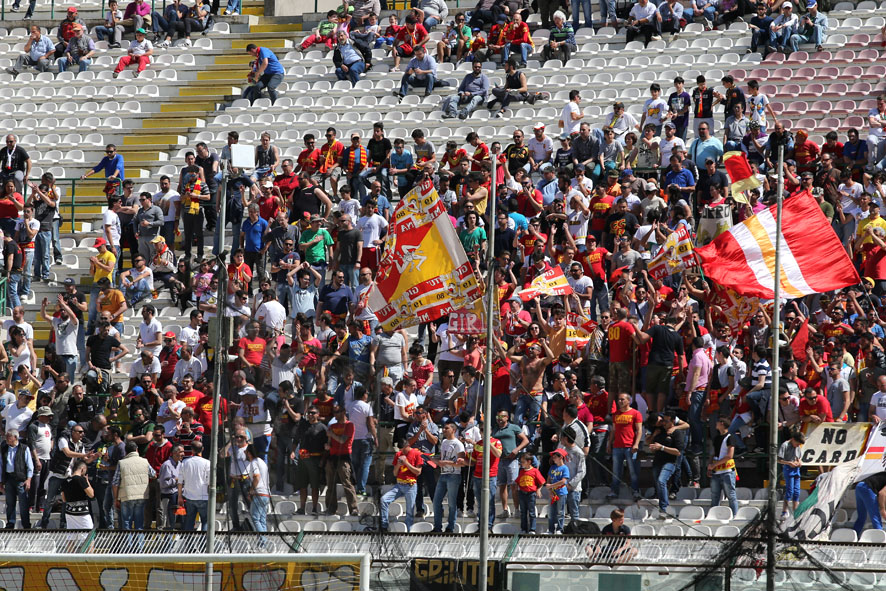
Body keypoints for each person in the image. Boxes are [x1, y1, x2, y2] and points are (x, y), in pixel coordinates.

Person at [379, 438, 423, 531]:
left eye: (402, 448)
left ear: (407, 446)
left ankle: (408, 530)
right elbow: (395, 473)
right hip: (399, 484)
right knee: (383, 500)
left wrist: (406, 463)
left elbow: (418, 472)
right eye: (399, 449)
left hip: (411, 485)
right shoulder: (398, 454)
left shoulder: (416, 454)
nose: (401, 451)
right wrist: (398, 465)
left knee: (409, 511)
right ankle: (384, 525)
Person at [648, 412, 685, 518]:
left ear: (673, 421)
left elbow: (678, 451)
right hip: (657, 461)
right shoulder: (660, 431)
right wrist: (654, 444)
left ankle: (663, 508)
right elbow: (650, 442)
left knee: (661, 481)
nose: (663, 423)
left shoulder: (677, 433)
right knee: (658, 484)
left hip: (670, 462)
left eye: (666, 421)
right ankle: (663, 505)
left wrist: (662, 448)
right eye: (663, 420)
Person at [431, 421, 465, 533]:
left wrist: (445, 462)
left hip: (454, 475)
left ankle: (450, 527)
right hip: (443, 474)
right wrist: (436, 461)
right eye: (444, 428)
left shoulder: (459, 444)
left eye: (446, 428)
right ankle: (437, 526)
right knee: (436, 501)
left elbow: (461, 463)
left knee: (451, 502)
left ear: (453, 430)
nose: (444, 430)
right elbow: (442, 457)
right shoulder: (444, 442)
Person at [112, 440, 154, 530]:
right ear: (137, 450)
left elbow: (115, 483)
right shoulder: (145, 461)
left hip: (126, 496)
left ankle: (129, 544)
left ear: (126, 451)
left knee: (127, 522)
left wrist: (116, 499)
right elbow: (153, 474)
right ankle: (139, 544)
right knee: (139, 522)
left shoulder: (121, 463)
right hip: (141, 495)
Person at [0, 429, 34, 529]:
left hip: (21, 479)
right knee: (10, 503)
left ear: (15, 437)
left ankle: (26, 524)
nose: (6, 438)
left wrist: (28, 479)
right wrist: (1, 481)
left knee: (23, 503)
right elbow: (1, 465)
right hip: (9, 478)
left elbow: (29, 465)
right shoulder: (4, 448)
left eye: (9, 436)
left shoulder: (24, 448)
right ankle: (10, 524)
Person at [708, 417, 738, 517]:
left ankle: (734, 515)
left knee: (731, 495)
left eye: (717, 422)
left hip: (727, 471)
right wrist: (710, 465)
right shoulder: (716, 438)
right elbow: (714, 453)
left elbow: (729, 456)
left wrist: (714, 465)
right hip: (716, 472)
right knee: (715, 496)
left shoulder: (730, 437)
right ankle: (713, 515)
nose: (715, 424)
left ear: (722, 423)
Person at [178, 439, 211, 531]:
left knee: (189, 520)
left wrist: (179, 496)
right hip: (203, 496)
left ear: (192, 450)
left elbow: (180, 481)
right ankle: (204, 543)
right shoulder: (207, 463)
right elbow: (210, 482)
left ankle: (189, 542)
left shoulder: (185, 462)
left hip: (189, 496)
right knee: (205, 520)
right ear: (202, 449)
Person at [244, 443, 270, 532]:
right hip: (266, 494)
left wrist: (251, 490)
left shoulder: (254, 462)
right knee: (262, 520)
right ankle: (264, 543)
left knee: (255, 518)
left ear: (249, 453)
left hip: (259, 494)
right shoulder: (262, 462)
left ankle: (262, 541)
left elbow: (257, 476)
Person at [61, 459, 94, 530]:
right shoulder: (81, 480)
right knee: (89, 537)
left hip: (69, 512)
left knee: (71, 537)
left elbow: (64, 499)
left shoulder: (65, 481)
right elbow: (91, 494)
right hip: (82, 512)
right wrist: (87, 481)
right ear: (82, 469)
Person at [778, 432, 804, 519]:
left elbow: (799, 457)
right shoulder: (784, 445)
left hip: (796, 469)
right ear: (793, 439)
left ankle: (795, 511)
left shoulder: (797, 447)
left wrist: (799, 462)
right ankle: (784, 511)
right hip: (788, 468)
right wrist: (789, 463)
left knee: (797, 491)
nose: (797, 446)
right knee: (790, 491)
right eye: (797, 444)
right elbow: (779, 460)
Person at [853, 471, 886, 536]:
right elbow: (882, 493)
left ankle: (854, 536)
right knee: (875, 517)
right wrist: (882, 509)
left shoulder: (883, 474)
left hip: (859, 486)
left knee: (861, 517)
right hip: (868, 488)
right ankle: (879, 538)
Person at [546, 448, 570, 534]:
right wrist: (550, 490)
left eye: (555, 457)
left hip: (561, 492)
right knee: (551, 512)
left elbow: (563, 481)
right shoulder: (552, 467)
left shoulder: (565, 468)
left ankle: (560, 529)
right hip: (553, 492)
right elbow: (548, 479)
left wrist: (551, 486)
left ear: (561, 457)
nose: (553, 458)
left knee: (560, 512)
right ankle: (551, 529)